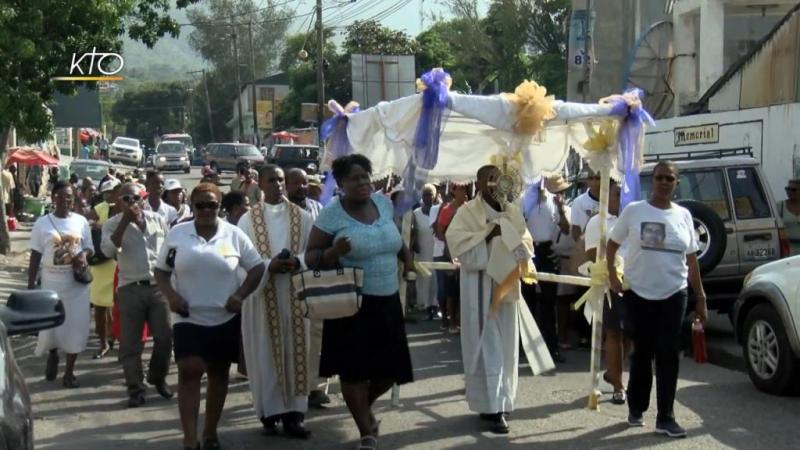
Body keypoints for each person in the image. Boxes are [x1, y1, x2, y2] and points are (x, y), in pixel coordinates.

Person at [305, 154, 414, 450]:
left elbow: (392, 237)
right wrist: (333, 252)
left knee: (390, 371)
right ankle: (366, 432)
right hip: (352, 305)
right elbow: (311, 256)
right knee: (354, 372)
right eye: (354, 178)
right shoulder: (331, 214)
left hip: (388, 301)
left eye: (365, 176)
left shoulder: (383, 204)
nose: (362, 182)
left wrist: (407, 257)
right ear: (340, 184)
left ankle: (362, 407)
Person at [154, 182, 265, 450]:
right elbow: (161, 271)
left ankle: (210, 432)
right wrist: (171, 296)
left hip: (224, 318)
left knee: (218, 374)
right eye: (200, 205)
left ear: (220, 206)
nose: (206, 210)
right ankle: (190, 439)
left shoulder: (234, 234)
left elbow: (257, 267)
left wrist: (240, 295)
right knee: (190, 371)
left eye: (212, 204)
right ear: (192, 207)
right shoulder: (178, 235)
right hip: (188, 317)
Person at [607, 161, 707, 438]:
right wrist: (613, 277)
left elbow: (691, 258)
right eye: (660, 177)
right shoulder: (634, 211)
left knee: (668, 354)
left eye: (670, 179)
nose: (664, 182)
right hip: (638, 293)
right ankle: (636, 407)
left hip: (674, 293)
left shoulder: (684, 215)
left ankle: (666, 417)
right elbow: (612, 243)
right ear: (653, 181)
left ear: (676, 183)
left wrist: (701, 296)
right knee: (642, 353)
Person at [445, 165, 541, 434]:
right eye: (489, 179)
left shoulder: (512, 211)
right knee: (489, 346)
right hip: (479, 288)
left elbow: (527, 245)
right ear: (477, 182)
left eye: (498, 178)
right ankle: (492, 407)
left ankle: (503, 399)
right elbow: (458, 247)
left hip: (507, 285)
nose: (494, 183)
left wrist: (512, 241)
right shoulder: (466, 212)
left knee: (507, 345)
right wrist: (490, 235)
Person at [238, 165, 315, 438]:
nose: (278, 184)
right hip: (262, 298)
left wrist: (297, 262)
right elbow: (240, 263)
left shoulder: (303, 217)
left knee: (297, 352)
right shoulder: (247, 221)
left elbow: (311, 253)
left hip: (294, 293)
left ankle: (295, 415)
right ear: (260, 183)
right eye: (272, 180)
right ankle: (268, 415)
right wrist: (269, 266)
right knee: (265, 355)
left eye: (281, 180)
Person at [102, 182, 174, 407]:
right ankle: (136, 389)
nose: (132, 203)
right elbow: (107, 251)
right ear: (118, 201)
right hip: (130, 288)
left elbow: (170, 249)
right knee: (131, 343)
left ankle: (157, 376)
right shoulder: (112, 225)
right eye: (126, 199)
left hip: (157, 286)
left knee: (166, 336)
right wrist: (125, 220)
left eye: (135, 198)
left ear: (142, 199)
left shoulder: (157, 220)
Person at [28, 181, 93, 388]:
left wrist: (83, 255)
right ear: (53, 198)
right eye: (61, 196)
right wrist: (31, 286)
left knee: (76, 325)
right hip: (51, 284)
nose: (65, 200)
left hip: (76, 285)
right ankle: (53, 354)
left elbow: (90, 248)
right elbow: (35, 255)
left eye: (69, 197)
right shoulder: (42, 223)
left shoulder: (81, 221)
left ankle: (69, 373)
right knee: (52, 326)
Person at [584, 180, 632, 405]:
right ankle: (618, 386)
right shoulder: (598, 222)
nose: (620, 197)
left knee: (630, 335)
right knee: (615, 333)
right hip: (612, 282)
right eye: (616, 193)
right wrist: (612, 270)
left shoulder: (635, 216)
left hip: (638, 283)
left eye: (623, 193)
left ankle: (615, 371)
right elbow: (593, 254)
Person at [285, 167, 328, 408]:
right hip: (284, 280)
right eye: (296, 183)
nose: (301, 187)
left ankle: (313, 387)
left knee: (315, 336)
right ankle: (288, 387)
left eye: (304, 183)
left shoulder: (318, 209)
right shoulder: (277, 211)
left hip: (313, 279)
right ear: (286, 185)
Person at [522, 174, 571, 363]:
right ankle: (527, 348)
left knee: (549, 304)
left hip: (548, 252)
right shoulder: (524, 200)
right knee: (528, 301)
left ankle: (551, 348)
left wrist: (560, 208)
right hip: (529, 251)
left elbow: (566, 229)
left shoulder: (553, 201)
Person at [86, 179, 121, 359]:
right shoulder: (101, 209)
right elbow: (86, 224)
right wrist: (95, 226)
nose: (114, 195)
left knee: (123, 307)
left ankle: (119, 340)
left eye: (117, 191)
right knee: (100, 306)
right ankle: (103, 343)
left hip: (123, 264)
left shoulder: (132, 211)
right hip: (102, 264)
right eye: (112, 192)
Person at [435, 183, 469, 333]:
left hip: (467, 253)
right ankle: (452, 323)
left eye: (466, 189)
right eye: (462, 189)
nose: (465, 192)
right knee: (451, 290)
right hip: (450, 254)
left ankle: (464, 322)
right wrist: (452, 246)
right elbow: (439, 232)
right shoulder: (447, 210)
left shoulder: (470, 209)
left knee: (465, 289)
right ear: (454, 191)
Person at [412, 184, 439, 320]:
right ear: (422, 196)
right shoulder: (416, 213)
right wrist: (414, 243)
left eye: (431, 194)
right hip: (422, 250)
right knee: (423, 278)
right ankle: (424, 305)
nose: (428, 197)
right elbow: (414, 231)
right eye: (426, 194)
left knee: (435, 277)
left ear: (434, 196)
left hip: (435, 249)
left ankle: (435, 305)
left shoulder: (438, 211)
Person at [778, 179, 800, 256]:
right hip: (788, 248)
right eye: (787, 189)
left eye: (793, 190)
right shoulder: (780, 207)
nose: (790, 192)